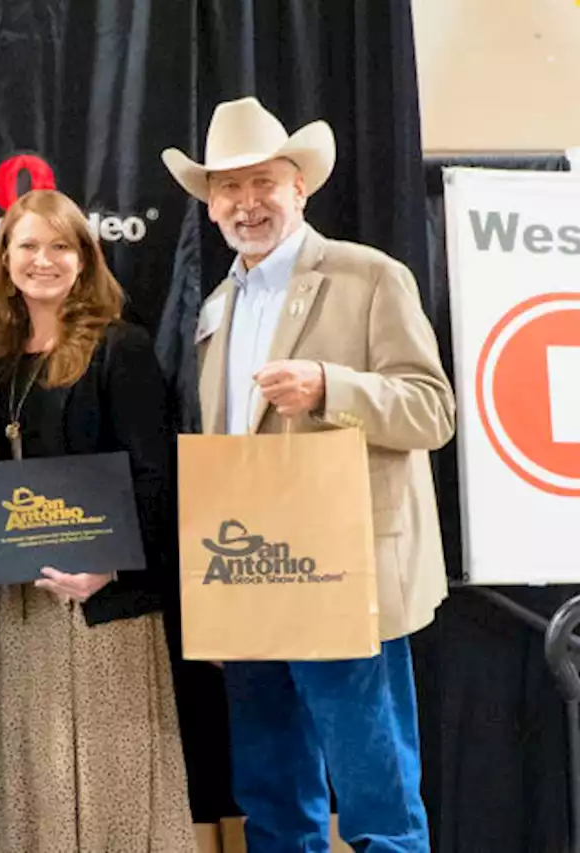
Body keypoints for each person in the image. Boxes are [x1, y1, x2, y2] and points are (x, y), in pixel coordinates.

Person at [162, 96, 455, 852]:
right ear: (211, 202)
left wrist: (333, 386)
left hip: (344, 575)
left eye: (263, 182)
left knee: (376, 792)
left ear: (300, 186)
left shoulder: (368, 277)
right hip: (253, 572)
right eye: (228, 188)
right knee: (271, 789)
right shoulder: (217, 304)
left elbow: (432, 411)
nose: (246, 202)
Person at [0, 188, 196, 852]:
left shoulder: (119, 347)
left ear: (84, 258)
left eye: (61, 245)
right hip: (26, 610)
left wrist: (109, 568)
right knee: (34, 776)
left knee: (112, 781)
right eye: (29, 245)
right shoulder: (2, 364)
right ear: (5, 258)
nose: (44, 260)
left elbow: (157, 476)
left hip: (108, 607)